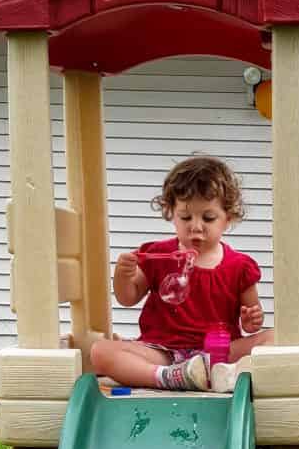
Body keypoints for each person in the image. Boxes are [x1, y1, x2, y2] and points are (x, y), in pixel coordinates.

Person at [90, 156, 272, 391]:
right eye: (185, 217)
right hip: (163, 353)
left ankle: (208, 372)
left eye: (208, 217)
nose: (195, 226)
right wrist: (123, 274)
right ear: (171, 214)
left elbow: (251, 325)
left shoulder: (240, 266)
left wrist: (251, 319)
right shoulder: (158, 254)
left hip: (218, 352)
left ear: (228, 219)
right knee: (100, 351)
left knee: (275, 338)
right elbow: (128, 298)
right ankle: (167, 377)